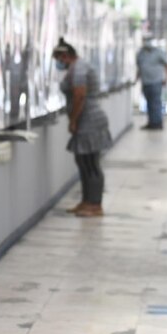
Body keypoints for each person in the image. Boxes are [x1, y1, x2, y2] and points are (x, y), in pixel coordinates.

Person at [53, 39, 112, 217]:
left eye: (58, 59)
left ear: (65, 56)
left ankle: (95, 204)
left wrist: (73, 120)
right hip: (85, 119)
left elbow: (79, 96)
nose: (58, 63)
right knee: (82, 161)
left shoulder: (78, 68)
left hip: (90, 120)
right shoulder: (76, 67)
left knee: (90, 163)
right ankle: (86, 201)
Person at [135, 34, 167, 130]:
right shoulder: (140, 54)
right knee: (149, 103)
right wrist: (136, 79)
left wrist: (166, 78)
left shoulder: (158, 52)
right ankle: (151, 122)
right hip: (146, 82)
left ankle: (158, 123)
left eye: (148, 40)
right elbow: (139, 68)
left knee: (156, 102)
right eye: (145, 40)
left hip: (156, 81)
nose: (146, 42)